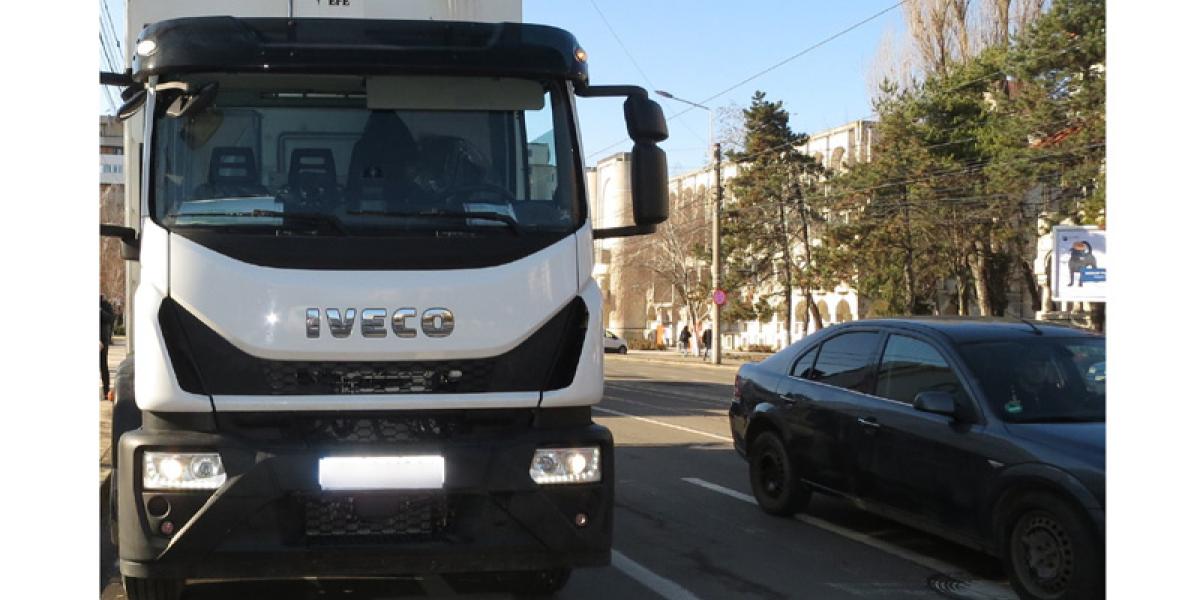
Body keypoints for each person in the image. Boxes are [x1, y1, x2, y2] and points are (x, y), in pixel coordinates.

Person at [100, 294, 116, 400]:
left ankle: (106, 391)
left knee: (103, 365)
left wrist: (100, 311)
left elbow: (111, 318)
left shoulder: (105, 305)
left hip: (102, 340)